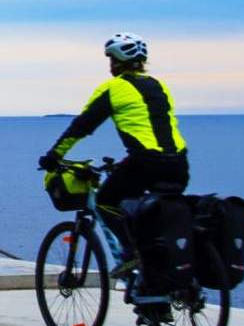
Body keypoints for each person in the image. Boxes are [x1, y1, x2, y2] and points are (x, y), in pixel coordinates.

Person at [37, 33, 189, 272]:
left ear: (116, 62)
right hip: (179, 163)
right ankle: (159, 285)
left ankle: (132, 253)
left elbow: (82, 126)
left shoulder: (114, 88)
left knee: (106, 200)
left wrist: (54, 155)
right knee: (151, 211)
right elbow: (151, 127)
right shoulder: (158, 86)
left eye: (111, 60)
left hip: (145, 162)